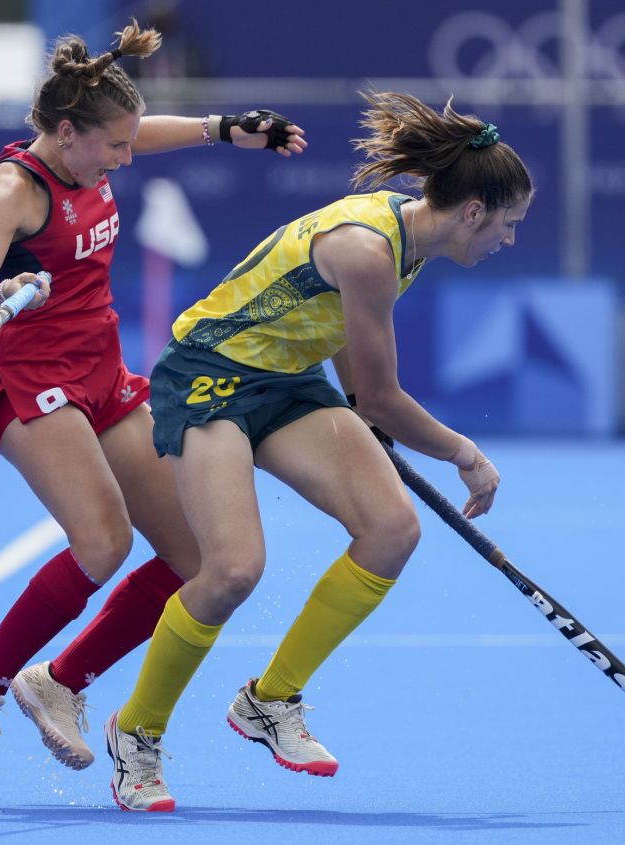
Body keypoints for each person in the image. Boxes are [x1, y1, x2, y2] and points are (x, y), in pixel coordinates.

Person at [103, 90, 532, 812]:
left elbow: (320, 329)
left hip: (285, 380)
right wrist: (464, 452)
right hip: (211, 374)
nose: (508, 240)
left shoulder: (412, 238)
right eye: (508, 225)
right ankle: (136, 732)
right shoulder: (370, 251)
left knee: (391, 529)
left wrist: (362, 421)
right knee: (233, 569)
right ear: (472, 211)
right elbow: (380, 399)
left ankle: (269, 701)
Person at [0, 19, 307, 785]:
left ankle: (59, 680)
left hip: (103, 376)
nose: (126, 156)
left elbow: (147, 132)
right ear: (67, 133)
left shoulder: (92, 148)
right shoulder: (12, 191)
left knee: (194, 555)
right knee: (101, 543)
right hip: (32, 386)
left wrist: (223, 130)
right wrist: (6, 287)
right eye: (114, 146)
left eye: (129, 142)